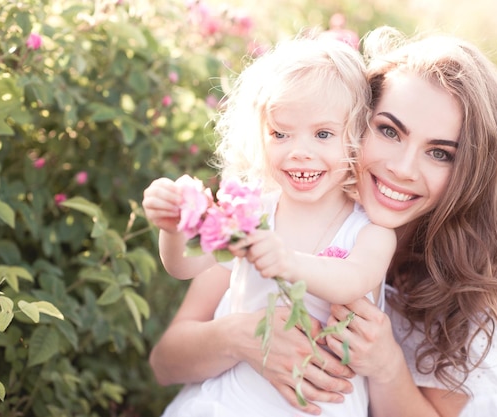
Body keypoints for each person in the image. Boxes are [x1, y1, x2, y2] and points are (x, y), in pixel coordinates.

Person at [147, 26, 497, 417]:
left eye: (440, 153)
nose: (402, 169)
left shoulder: (479, 271)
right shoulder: (284, 205)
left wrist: (387, 364)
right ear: (355, 124)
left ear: (472, 171)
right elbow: (166, 361)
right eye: (389, 131)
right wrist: (240, 335)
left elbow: (352, 277)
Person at [142, 33, 397, 417]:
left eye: (323, 134)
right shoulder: (251, 211)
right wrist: (173, 225)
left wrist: (286, 261)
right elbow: (182, 266)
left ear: (357, 137)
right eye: (280, 133)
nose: (299, 150)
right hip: (230, 403)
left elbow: (354, 279)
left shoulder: (369, 230)